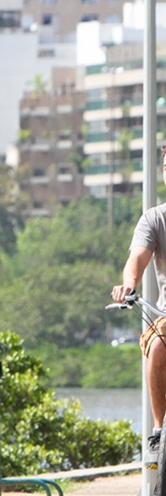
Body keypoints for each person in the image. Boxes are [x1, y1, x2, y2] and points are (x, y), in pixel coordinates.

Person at [111, 144, 166, 468]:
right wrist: (129, 285)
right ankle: (160, 428)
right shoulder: (155, 218)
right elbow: (137, 258)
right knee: (159, 344)